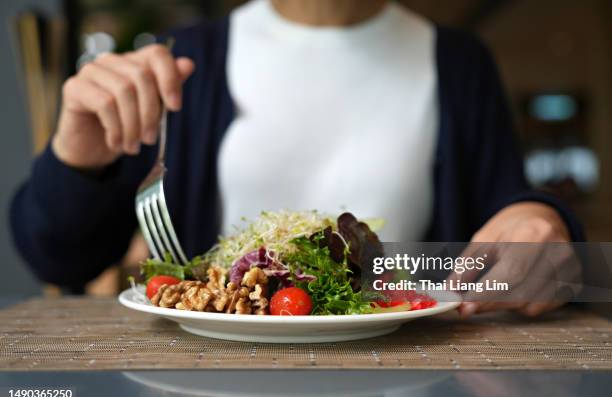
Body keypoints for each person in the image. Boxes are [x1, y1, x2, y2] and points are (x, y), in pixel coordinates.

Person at [10, 0, 583, 316]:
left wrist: (543, 221)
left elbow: (513, 221)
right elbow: (57, 257)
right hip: (210, 385)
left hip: (412, 382)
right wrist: (76, 160)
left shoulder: (460, 64)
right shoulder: (190, 60)